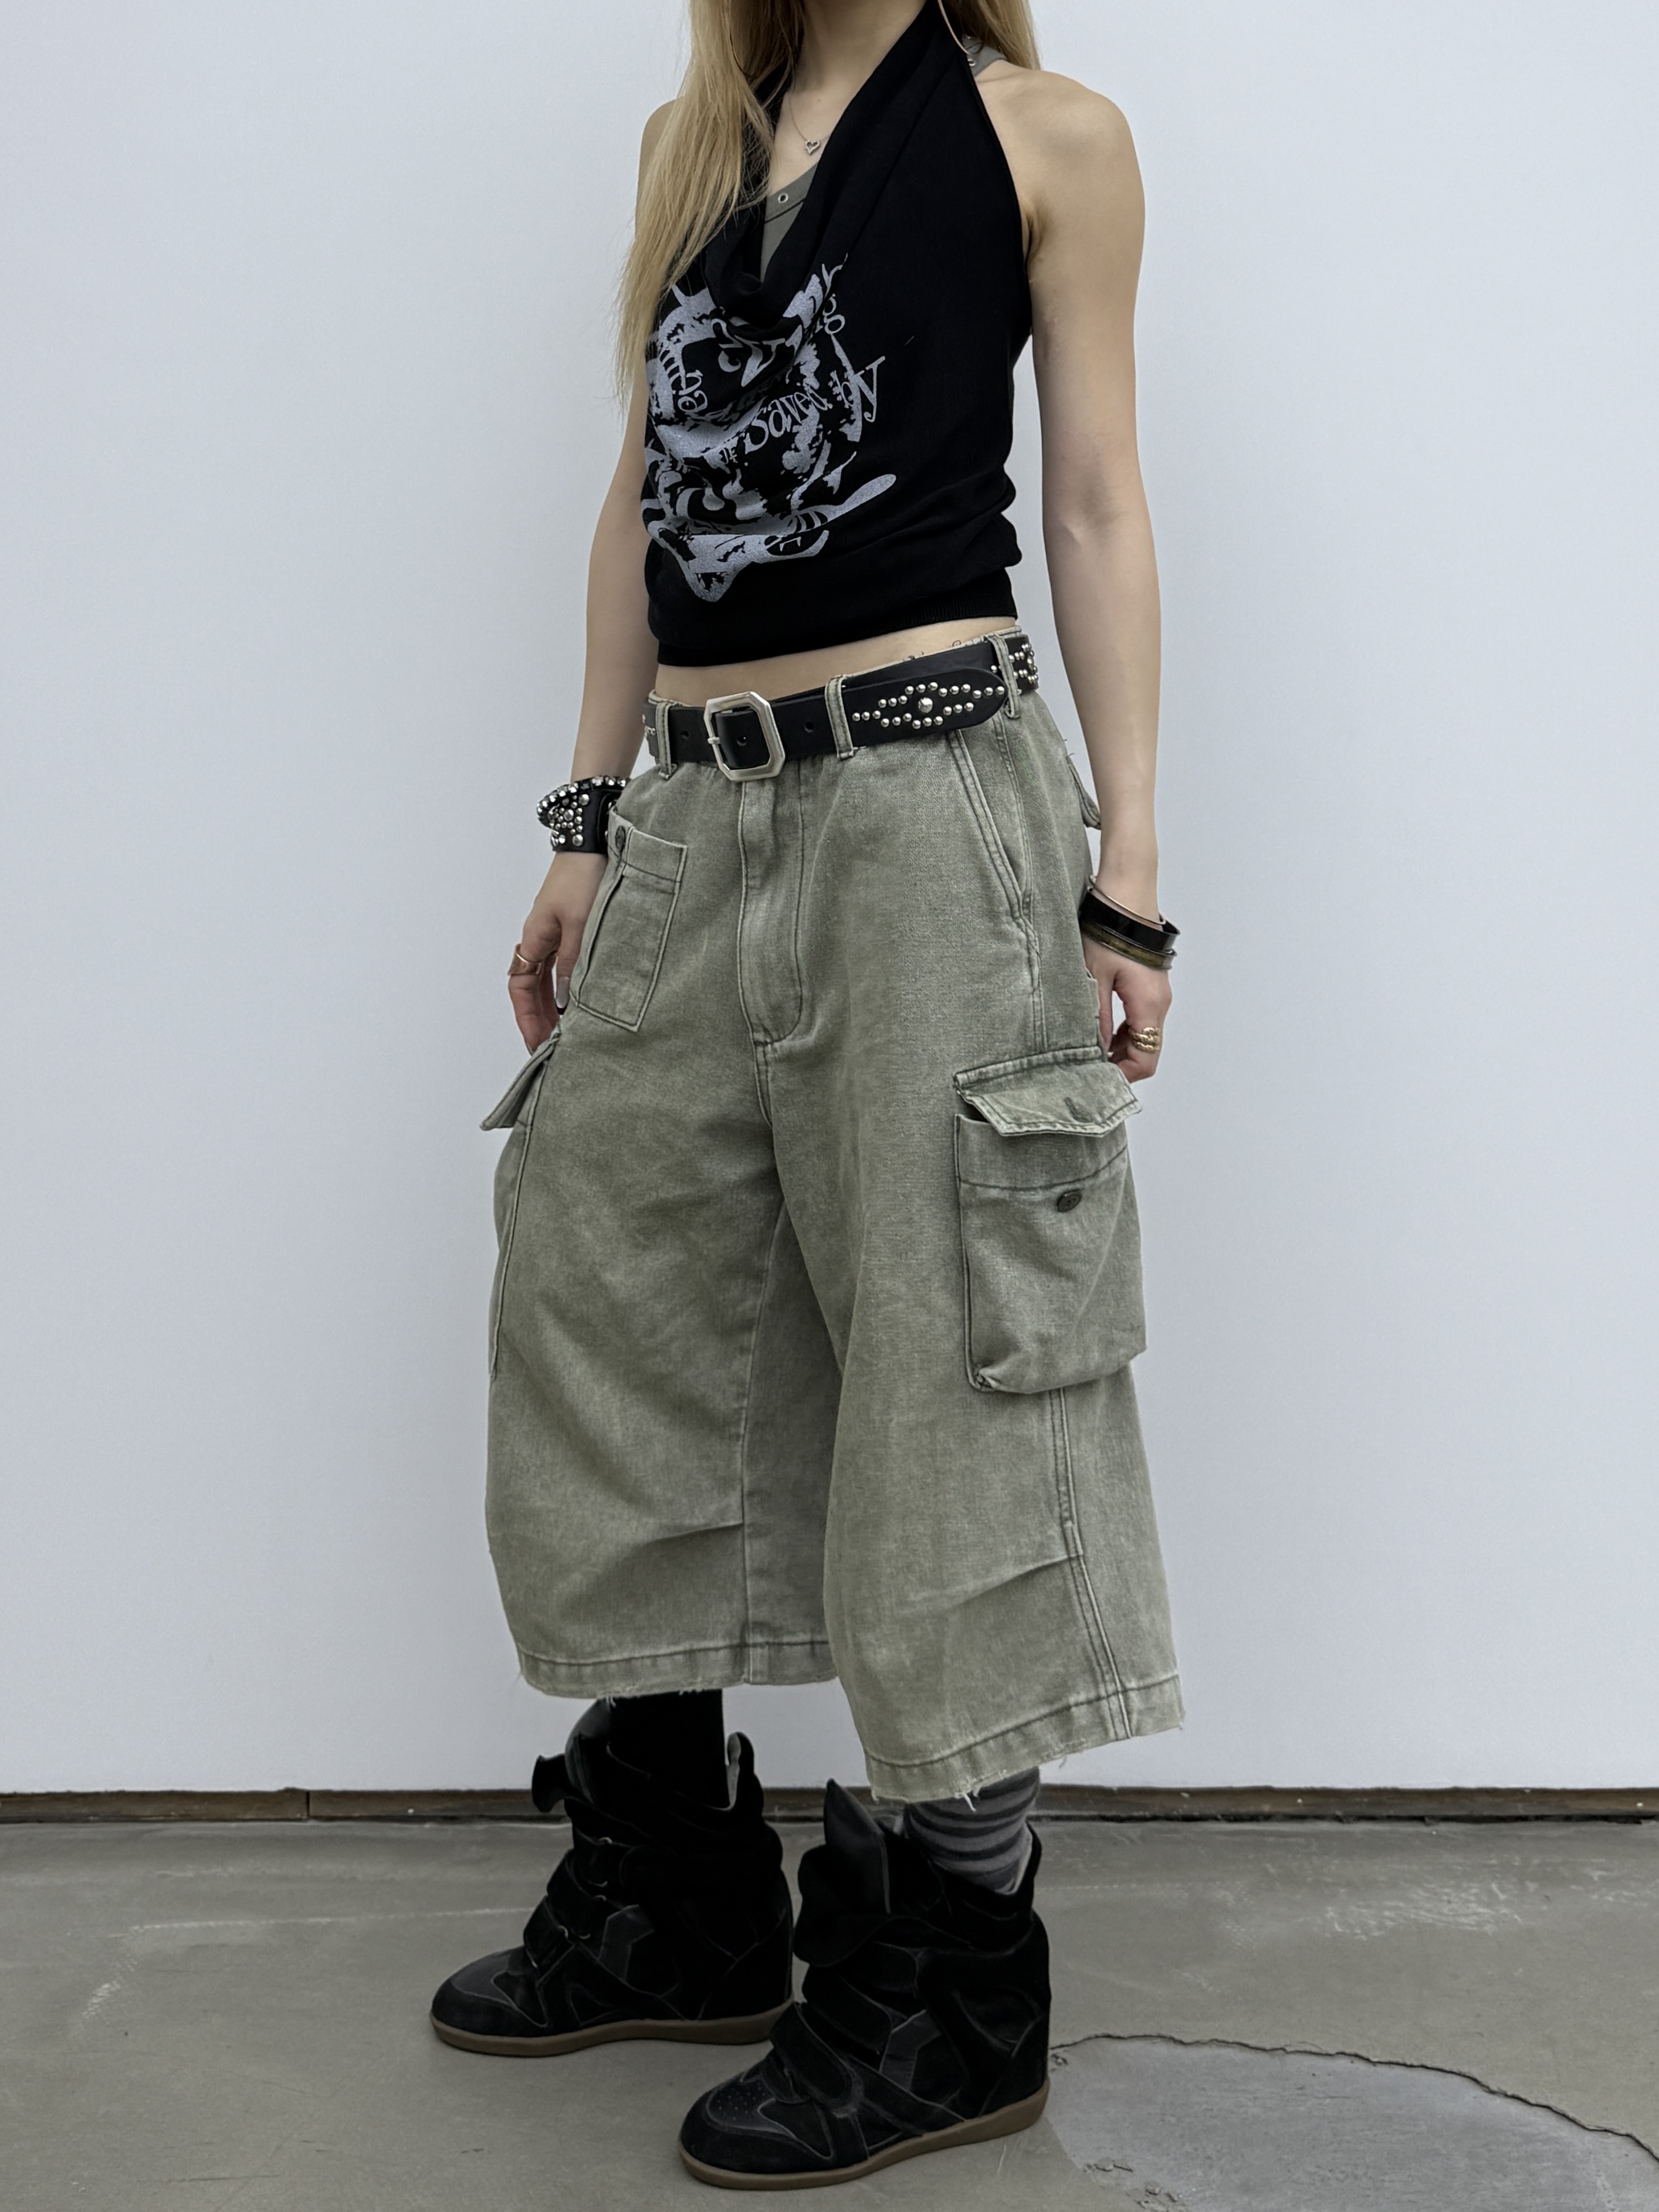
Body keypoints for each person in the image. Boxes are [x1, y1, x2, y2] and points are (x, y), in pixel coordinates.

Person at [431, 0, 1183, 2187]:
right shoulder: (695, 144)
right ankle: (675, 1877)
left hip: (927, 800)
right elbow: (641, 500)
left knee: (953, 1343)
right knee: (610, 1281)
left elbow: (1098, 495)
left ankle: (955, 1960)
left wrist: (1129, 872)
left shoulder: (1047, 135)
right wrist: (587, 817)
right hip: (697, 804)